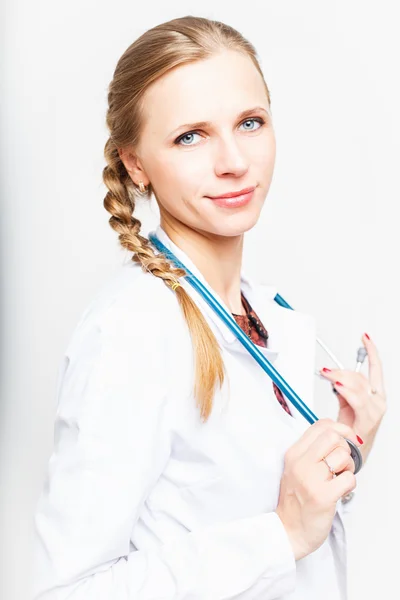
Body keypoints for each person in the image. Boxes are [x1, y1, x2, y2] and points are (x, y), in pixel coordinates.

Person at [31, 15, 387, 600]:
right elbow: (66, 590)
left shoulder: (257, 306)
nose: (233, 162)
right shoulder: (132, 331)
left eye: (250, 123)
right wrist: (280, 535)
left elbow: (242, 508)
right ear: (135, 163)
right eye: (189, 136)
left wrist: (346, 451)